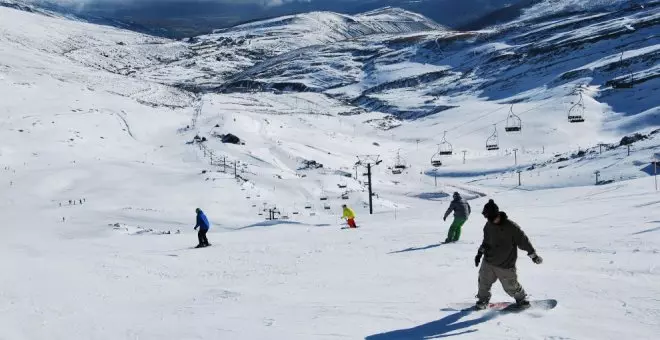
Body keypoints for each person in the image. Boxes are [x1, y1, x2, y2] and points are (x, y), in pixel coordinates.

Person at [474, 199, 543, 309]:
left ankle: (522, 300)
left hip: (505, 264)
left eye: (492, 218)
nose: (491, 220)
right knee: (483, 282)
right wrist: (479, 253)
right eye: (488, 218)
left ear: (497, 214)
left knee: (511, 286)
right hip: (488, 261)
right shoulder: (488, 225)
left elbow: (523, 241)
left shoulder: (511, 227)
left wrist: (533, 255)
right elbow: (486, 241)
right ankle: (482, 301)